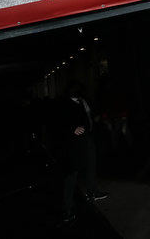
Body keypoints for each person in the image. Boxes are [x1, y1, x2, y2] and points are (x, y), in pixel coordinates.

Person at [58, 81, 108, 222]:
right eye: (79, 91)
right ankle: (67, 208)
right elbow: (58, 123)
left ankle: (93, 192)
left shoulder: (81, 101)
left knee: (91, 164)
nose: (81, 94)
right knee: (72, 173)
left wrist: (92, 121)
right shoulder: (63, 104)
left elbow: (87, 115)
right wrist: (71, 129)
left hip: (86, 138)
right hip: (72, 144)